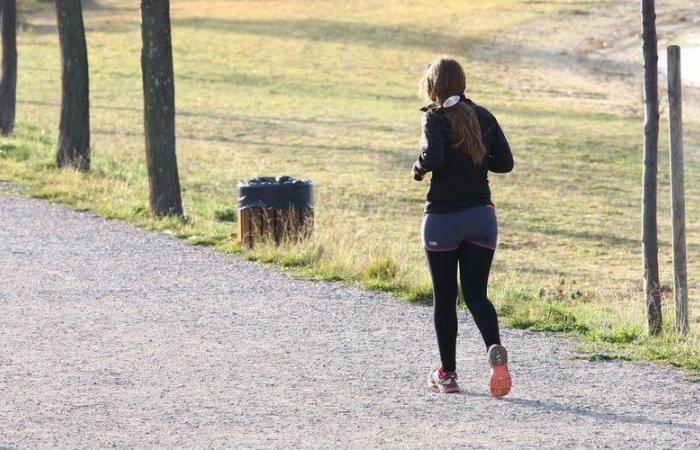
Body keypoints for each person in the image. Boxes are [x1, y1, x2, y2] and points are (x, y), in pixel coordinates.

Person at [413, 56, 514, 397]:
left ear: (433, 86)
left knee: (445, 298)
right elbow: (506, 163)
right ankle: (496, 354)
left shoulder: (435, 118)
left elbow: (434, 157)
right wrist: (477, 160)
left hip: (443, 218)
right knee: (476, 295)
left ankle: (448, 375)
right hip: (481, 217)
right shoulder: (484, 116)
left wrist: (418, 167)